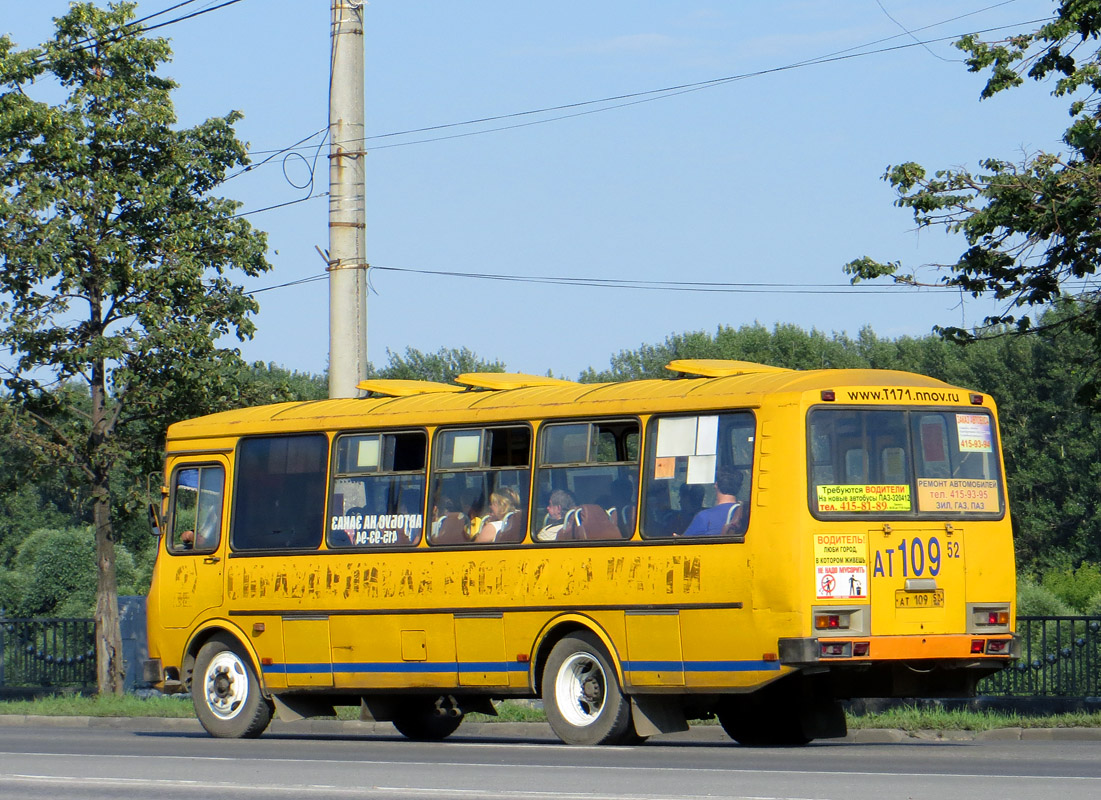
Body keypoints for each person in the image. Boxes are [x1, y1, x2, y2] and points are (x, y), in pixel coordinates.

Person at [681, 470, 745, 537]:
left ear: (716, 485)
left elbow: (683, 542)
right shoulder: (745, 514)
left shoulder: (704, 516)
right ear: (739, 487)